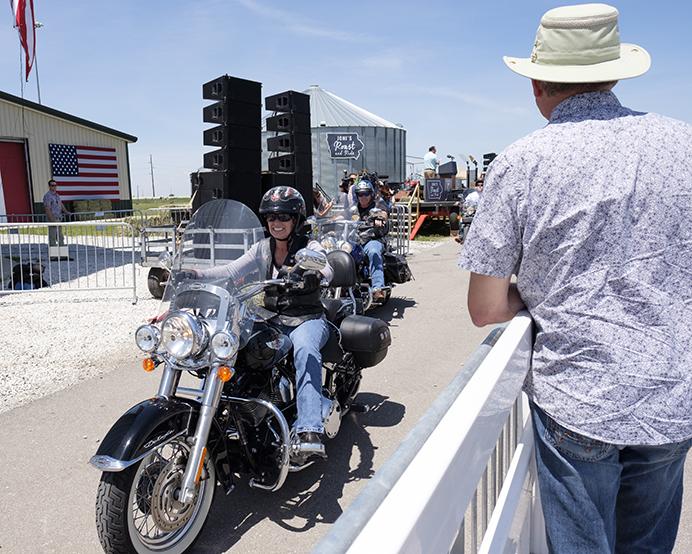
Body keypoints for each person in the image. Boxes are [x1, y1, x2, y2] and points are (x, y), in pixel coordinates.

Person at [459, 4, 691, 553]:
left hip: (579, 395)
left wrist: (539, 288)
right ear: (613, 72)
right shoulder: (683, 144)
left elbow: (485, 308)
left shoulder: (521, 162)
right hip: (671, 393)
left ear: (537, 84)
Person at [193, 186, 334, 457]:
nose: (276, 223)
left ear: (296, 219)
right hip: (271, 318)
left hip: (306, 319)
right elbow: (230, 270)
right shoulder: (262, 248)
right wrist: (194, 274)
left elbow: (326, 266)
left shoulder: (310, 246)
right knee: (231, 344)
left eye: (283, 216)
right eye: (270, 217)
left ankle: (309, 429)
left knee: (305, 350)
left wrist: (317, 274)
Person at [353, 180, 388, 302]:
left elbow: (383, 212)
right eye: (360, 194)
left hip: (373, 239)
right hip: (356, 240)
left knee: (373, 251)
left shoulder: (377, 205)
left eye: (366, 194)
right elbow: (343, 215)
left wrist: (380, 218)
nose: (363, 197)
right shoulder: (354, 208)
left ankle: (378, 288)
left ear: (371, 194)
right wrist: (332, 220)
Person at [42, 179, 70, 250]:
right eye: (52, 185)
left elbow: (61, 204)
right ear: (49, 186)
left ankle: (63, 254)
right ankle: (54, 256)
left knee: (60, 237)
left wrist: (66, 212)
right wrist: (52, 220)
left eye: (55, 185)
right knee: (53, 238)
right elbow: (47, 209)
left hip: (59, 218)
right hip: (53, 219)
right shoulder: (47, 196)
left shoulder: (57, 195)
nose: (54, 187)